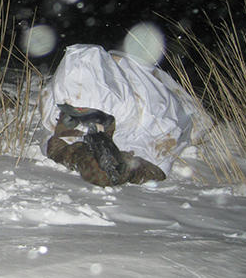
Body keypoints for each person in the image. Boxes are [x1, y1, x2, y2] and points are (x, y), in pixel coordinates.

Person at [39, 44, 206, 187]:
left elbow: (158, 165)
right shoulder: (58, 93)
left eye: (85, 111)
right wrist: (79, 156)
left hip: (180, 107)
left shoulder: (153, 111)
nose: (77, 115)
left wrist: (126, 169)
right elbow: (53, 138)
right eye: (71, 109)